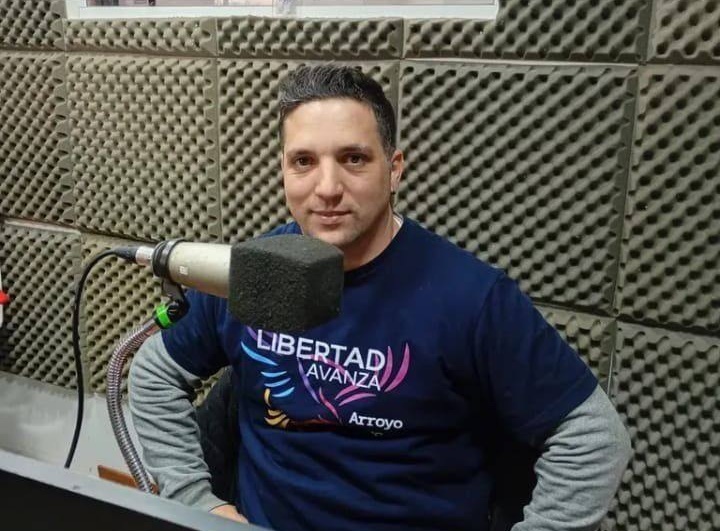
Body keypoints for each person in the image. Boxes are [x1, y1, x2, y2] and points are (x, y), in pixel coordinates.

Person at [129, 64, 631, 531]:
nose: (327, 188)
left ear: (394, 169)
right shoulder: (253, 271)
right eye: (304, 161)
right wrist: (198, 503)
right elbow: (153, 375)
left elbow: (591, 440)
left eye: (353, 159)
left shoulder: (471, 298)